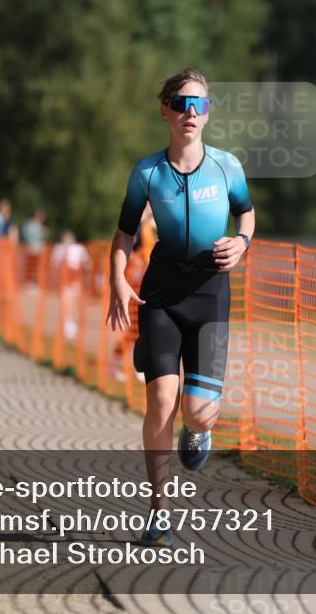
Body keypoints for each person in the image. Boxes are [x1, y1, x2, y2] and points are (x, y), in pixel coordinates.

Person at [106, 68, 255, 548]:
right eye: (181, 103)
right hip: (161, 294)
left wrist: (243, 242)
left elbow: (246, 213)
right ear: (165, 110)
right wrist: (117, 283)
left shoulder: (227, 166)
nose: (191, 112)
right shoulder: (147, 172)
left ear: (208, 113)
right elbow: (126, 232)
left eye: (200, 104)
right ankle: (158, 511)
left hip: (210, 294)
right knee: (162, 402)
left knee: (198, 414)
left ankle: (199, 427)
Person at [51, 229, 89, 340]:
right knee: (66, 301)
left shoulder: (80, 249)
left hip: (76, 279)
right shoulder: (59, 249)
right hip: (64, 280)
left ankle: (73, 322)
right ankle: (68, 323)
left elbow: (87, 263)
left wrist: (80, 269)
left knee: (75, 301)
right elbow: (54, 263)